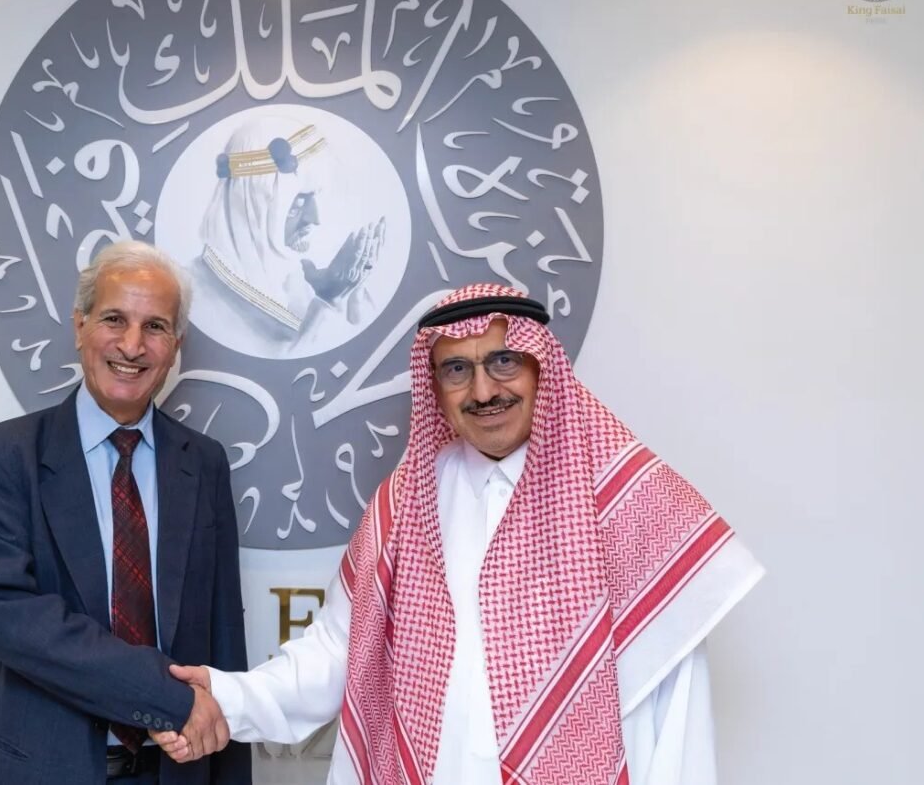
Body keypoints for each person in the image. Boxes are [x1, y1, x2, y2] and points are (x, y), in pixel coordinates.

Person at [155, 282, 764, 785]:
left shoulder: (627, 501)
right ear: (436, 389)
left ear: (540, 366)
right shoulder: (405, 505)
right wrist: (227, 697)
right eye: (457, 369)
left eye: (504, 360)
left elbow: (677, 711)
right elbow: (338, 654)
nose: (483, 390)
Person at [0, 241, 251, 784]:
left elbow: (223, 638)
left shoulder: (203, 465)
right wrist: (166, 697)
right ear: (80, 325)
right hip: (34, 769)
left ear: (175, 345)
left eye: (155, 327)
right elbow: (10, 620)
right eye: (115, 319)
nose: (132, 346)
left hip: (172, 771)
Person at [190, 115, 385, 356]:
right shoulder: (192, 294)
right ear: (252, 204)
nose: (313, 219)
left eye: (315, 198)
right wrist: (327, 304)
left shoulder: (301, 281)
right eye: (297, 203)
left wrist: (351, 296)